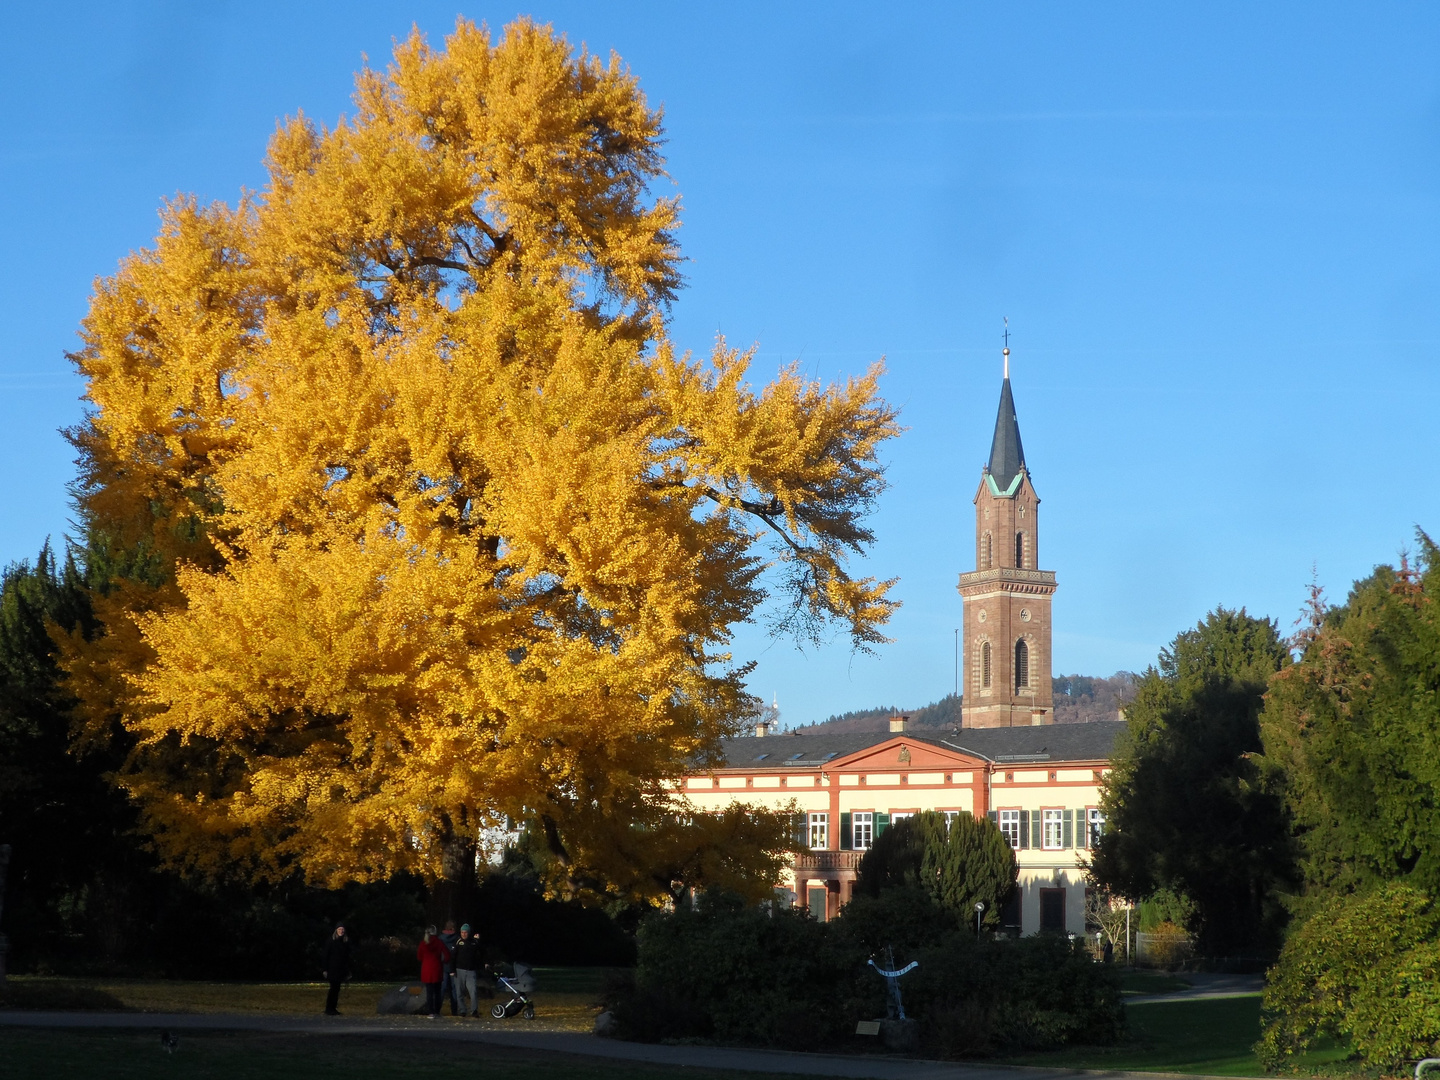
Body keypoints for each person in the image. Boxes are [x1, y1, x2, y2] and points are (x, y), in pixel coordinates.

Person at [417, 925, 452, 1019]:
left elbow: (419, 957)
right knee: (437, 992)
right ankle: (436, 1011)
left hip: (426, 970)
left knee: (429, 992)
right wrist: (443, 960)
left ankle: (430, 1012)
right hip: (437, 970)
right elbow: (447, 955)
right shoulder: (439, 942)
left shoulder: (423, 943)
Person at [451, 923, 483, 1017]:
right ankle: (462, 1010)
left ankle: (474, 1010)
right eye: (462, 932)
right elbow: (452, 957)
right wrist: (452, 970)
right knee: (459, 992)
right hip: (459, 970)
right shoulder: (457, 942)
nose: (464, 934)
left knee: (473, 992)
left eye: (465, 932)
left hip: (470, 970)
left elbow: (480, 952)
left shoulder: (473, 942)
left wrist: (477, 941)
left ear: (469, 933)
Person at [322, 924, 351, 1016]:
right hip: (332, 969)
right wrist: (325, 969)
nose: (341, 931)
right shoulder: (331, 941)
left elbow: (346, 958)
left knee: (337, 989)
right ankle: (329, 1008)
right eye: (339, 929)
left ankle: (333, 1008)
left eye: (342, 929)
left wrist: (347, 971)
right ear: (336, 930)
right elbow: (325, 955)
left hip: (340, 969)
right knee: (333, 989)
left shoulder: (345, 942)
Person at [439, 920, 461, 1016]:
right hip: (454, 967)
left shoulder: (440, 938)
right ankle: (454, 1011)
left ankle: (437, 1009)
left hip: (443, 966)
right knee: (454, 989)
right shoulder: (457, 939)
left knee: (442, 989)